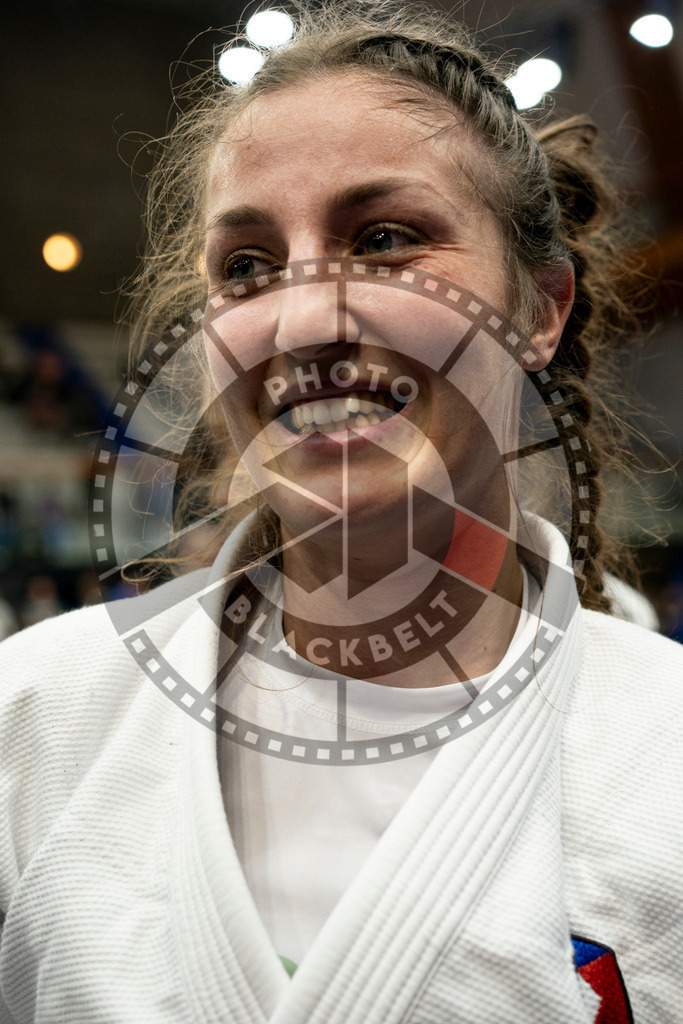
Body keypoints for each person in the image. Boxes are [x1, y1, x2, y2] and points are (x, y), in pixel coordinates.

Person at [0, 3, 681, 1022]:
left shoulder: (661, 745)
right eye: (246, 268)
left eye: (384, 238)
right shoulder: (35, 717)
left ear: (539, 308)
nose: (304, 317)